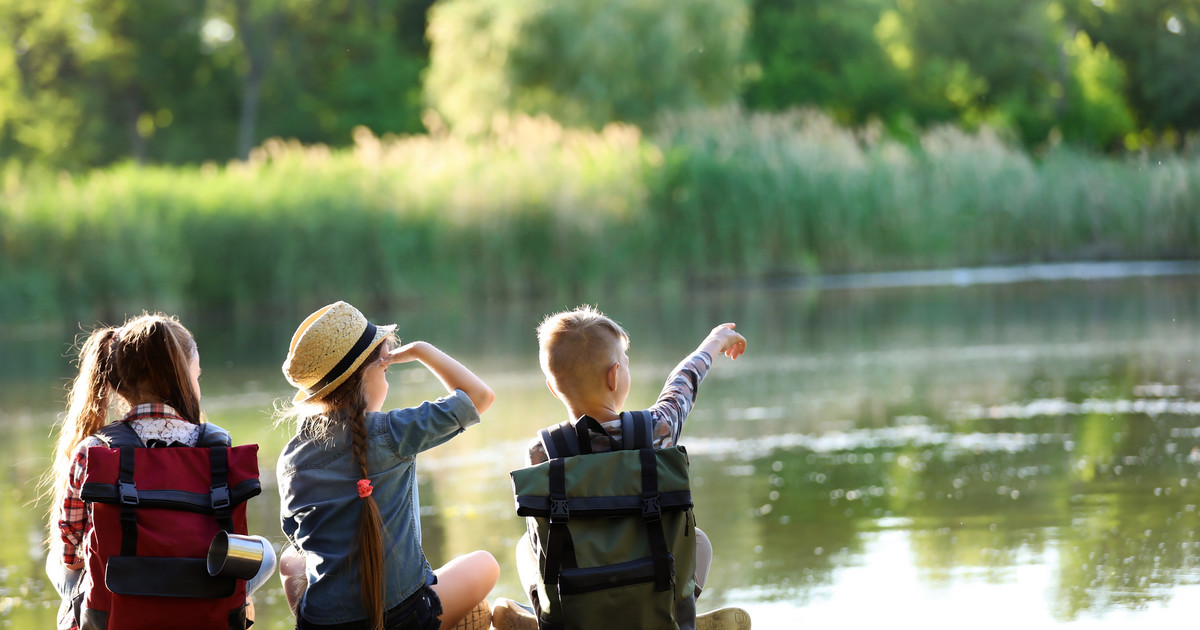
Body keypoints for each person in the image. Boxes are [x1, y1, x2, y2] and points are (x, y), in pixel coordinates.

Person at [492, 305, 752, 630]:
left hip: (576, 605)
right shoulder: (657, 431)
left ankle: (545, 619)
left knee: (526, 547)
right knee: (697, 540)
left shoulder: (541, 452)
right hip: (652, 589)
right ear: (615, 376)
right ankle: (674, 612)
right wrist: (713, 343)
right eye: (626, 365)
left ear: (553, 388)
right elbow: (681, 387)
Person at [44, 312, 276, 630]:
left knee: (57, 563)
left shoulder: (95, 450)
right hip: (202, 599)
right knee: (265, 555)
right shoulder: (217, 446)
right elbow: (231, 536)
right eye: (196, 376)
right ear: (182, 379)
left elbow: (71, 554)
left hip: (118, 609)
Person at [276, 301, 500, 630]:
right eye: (385, 368)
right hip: (404, 620)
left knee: (290, 561)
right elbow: (479, 396)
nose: (388, 380)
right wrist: (423, 351)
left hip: (321, 624)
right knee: (485, 564)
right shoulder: (392, 431)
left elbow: (298, 537)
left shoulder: (290, 460)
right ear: (366, 376)